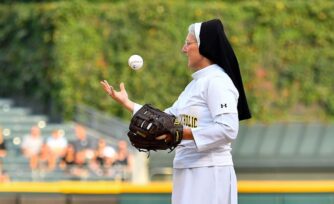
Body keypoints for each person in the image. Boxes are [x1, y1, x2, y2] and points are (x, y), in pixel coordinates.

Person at [100, 19, 251, 204]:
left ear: (205, 47)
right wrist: (127, 103)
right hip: (188, 167)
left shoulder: (217, 82)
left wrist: (181, 133)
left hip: (210, 171)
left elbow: (228, 129)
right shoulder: (195, 85)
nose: (183, 49)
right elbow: (167, 120)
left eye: (188, 43)